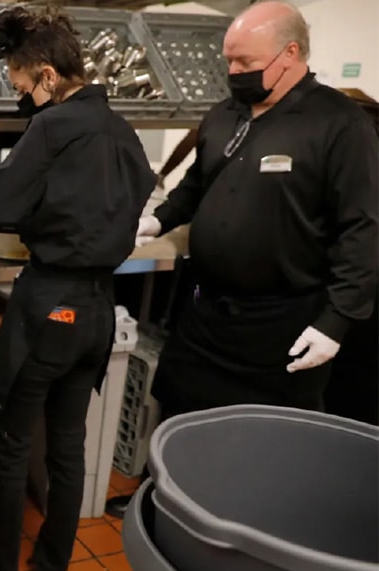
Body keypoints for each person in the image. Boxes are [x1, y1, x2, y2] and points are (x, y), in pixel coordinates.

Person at [0, 7, 157, 571]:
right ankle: (55, 568)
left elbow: (0, 202)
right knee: (68, 445)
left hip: (50, 302)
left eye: (19, 80)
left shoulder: (54, 127)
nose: (18, 92)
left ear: (46, 73)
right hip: (97, 309)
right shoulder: (121, 129)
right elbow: (128, 198)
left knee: (9, 442)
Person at [135, 2, 378, 418]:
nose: (233, 72)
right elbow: (195, 185)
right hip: (203, 318)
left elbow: (364, 228)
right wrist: (156, 221)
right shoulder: (223, 114)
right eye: (229, 60)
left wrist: (335, 323)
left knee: (258, 446)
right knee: (179, 423)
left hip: (281, 328)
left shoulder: (340, 124)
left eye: (245, 61)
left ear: (290, 54)